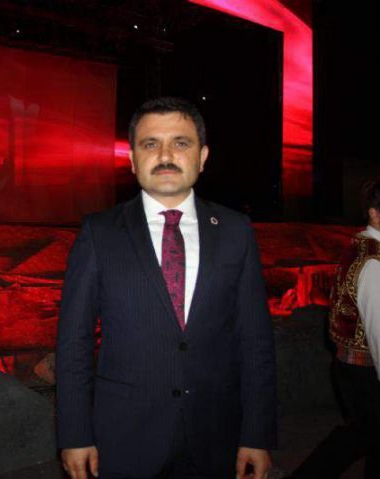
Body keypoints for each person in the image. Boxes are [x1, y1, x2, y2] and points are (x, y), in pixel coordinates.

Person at [56, 97, 277, 479]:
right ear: (132, 159)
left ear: (202, 156)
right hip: (125, 435)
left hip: (216, 432)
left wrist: (257, 433)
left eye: (180, 143)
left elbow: (255, 339)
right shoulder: (99, 232)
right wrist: (74, 433)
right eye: (150, 144)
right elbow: (74, 341)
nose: (165, 155)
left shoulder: (236, 230)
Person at [289, 176, 380, 478]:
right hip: (368, 371)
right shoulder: (374, 262)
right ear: (375, 214)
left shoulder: (364, 246)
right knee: (376, 442)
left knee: (370, 439)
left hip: (355, 369)